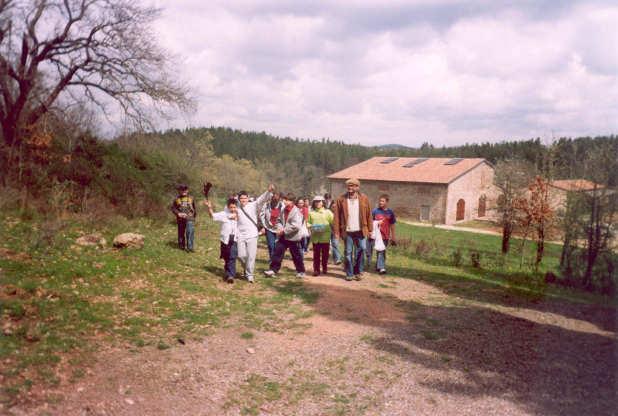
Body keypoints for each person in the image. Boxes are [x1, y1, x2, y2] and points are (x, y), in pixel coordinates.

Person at [332, 178, 372, 281]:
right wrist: (336, 231)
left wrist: (370, 229)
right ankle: (349, 273)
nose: (350, 188)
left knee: (362, 249)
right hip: (347, 231)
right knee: (348, 253)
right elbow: (336, 217)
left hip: (361, 230)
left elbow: (369, 215)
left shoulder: (364, 199)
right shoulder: (341, 199)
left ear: (357, 187)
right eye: (348, 186)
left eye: (352, 185)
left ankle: (358, 271)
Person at [236, 184, 275, 283]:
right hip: (240, 234)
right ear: (239, 199)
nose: (243, 200)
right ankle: (246, 268)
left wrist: (268, 191)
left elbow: (261, 200)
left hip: (252, 235)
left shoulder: (253, 205)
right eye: (241, 198)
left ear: (248, 198)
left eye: (245, 198)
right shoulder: (236, 208)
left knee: (251, 256)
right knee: (241, 255)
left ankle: (249, 275)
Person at [263, 192, 306, 278]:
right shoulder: (283, 210)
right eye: (284, 199)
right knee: (277, 252)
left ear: (292, 201)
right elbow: (279, 220)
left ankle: (301, 271)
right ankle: (273, 270)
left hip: (293, 237)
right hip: (283, 237)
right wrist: (279, 228)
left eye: (286, 200)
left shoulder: (296, 212)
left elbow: (296, 226)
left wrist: (284, 231)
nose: (284, 201)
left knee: (296, 255)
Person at [204, 198, 238, 283]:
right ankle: (227, 271)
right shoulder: (224, 214)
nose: (233, 209)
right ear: (228, 207)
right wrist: (209, 207)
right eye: (231, 207)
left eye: (234, 207)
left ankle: (231, 275)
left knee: (232, 256)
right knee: (226, 256)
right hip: (225, 239)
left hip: (235, 239)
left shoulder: (239, 214)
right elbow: (213, 216)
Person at [366, 194, 397, 274]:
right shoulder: (375, 211)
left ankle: (381, 267)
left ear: (387, 202)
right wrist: (369, 231)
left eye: (382, 201)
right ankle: (373, 265)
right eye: (380, 201)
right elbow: (370, 222)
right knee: (369, 251)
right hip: (375, 235)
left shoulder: (390, 213)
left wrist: (393, 236)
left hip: (385, 235)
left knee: (381, 251)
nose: (380, 202)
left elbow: (392, 225)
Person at [307, 195, 334, 276]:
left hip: (325, 237)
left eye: (319, 201)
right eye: (316, 201)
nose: (318, 203)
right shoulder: (311, 213)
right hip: (315, 238)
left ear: (323, 202)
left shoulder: (328, 212)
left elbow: (332, 223)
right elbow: (308, 223)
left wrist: (335, 232)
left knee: (325, 255)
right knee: (316, 255)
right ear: (313, 203)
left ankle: (325, 267)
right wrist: (310, 227)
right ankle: (316, 270)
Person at [171, 184, 197, 252]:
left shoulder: (191, 198)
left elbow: (194, 208)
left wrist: (194, 216)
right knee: (181, 232)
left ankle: (190, 247)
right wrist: (178, 213)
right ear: (179, 191)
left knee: (190, 231)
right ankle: (181, 245)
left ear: (187, 190)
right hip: (180, 219)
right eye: (182, 189)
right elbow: (173, 208)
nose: (184, 191)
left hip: (190, 218)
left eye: (185, 189)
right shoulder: (176, 199)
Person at [260, 191, 284, 262]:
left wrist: (283, 228)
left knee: (277, 245)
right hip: (268, 227)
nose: (274, 199)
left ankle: (277, 258)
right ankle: (272, 259)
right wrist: (263, 226)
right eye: (273, 197)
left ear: (279, 198)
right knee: (271, 245)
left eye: (277, 198)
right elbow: (262, 215)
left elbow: (285, 217)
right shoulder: (266, 205)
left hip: (279, 228)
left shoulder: (282, 206)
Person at [324, 193, 342, 265]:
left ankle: (337, 259)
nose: (334, 208)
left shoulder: (337, 214)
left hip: (335, 230)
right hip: (327, 230)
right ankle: (327, 259)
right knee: (327, 245)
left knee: (335, 244)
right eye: (326, 198)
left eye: (329, 198)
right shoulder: (325, 209)